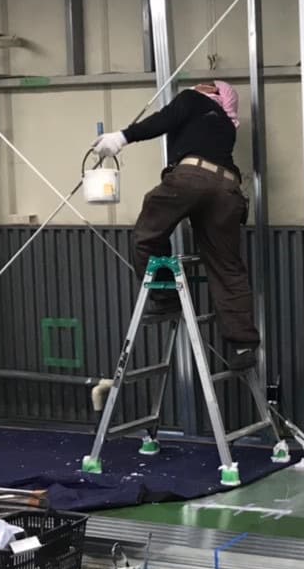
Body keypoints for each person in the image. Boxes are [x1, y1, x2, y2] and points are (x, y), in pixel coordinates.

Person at [90, 81, 259, 370]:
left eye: (205, 84)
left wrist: (121, 137)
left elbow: (163, 120)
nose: (196, 85)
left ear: (214, 94)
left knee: (147, 234)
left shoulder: (193, 99)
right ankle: (243, 346)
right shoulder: (226, 125)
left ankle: (166, 295)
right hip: (229, 190)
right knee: (226, 265)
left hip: (191, 177)